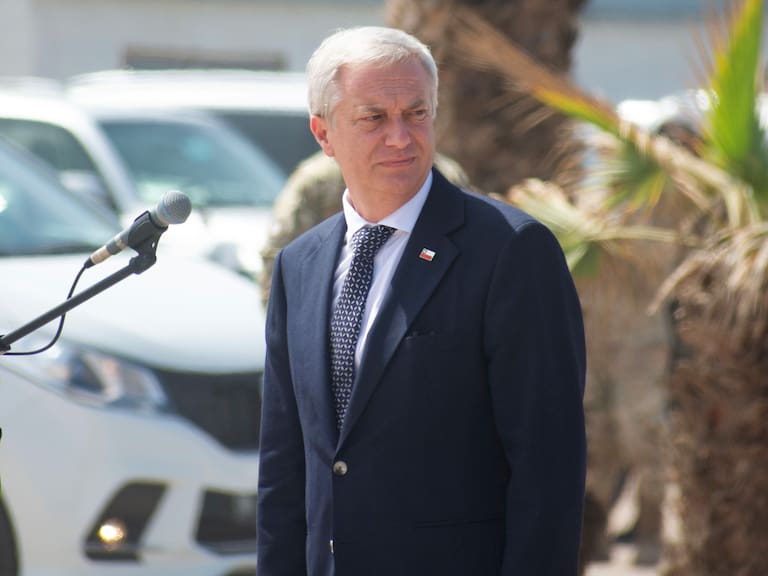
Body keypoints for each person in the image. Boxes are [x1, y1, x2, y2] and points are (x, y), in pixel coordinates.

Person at [257, 26, 587, 576]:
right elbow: (285, 466)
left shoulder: (510, 251)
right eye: (374, 118)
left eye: (416, 113)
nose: (400, 137)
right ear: (324, 133)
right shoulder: (300, 265)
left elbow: (547, 464)